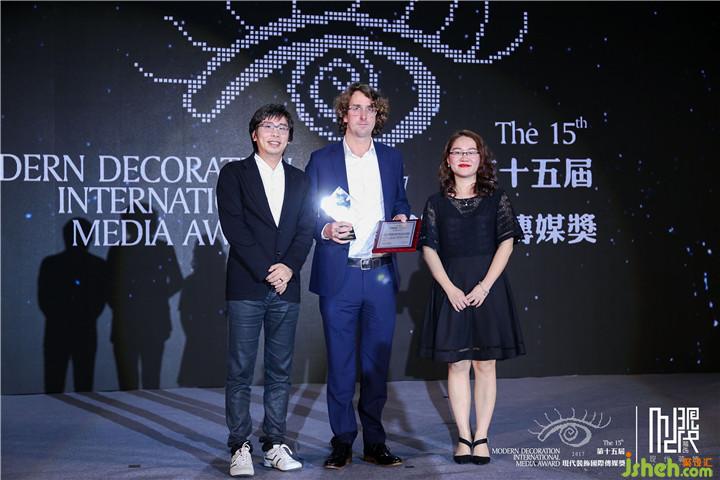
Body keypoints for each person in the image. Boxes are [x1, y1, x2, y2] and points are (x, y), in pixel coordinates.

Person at [305, 83, 410, 469]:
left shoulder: (392, 158)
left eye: (370, 109)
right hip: (341, 277)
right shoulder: (322, 159)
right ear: (344, 114)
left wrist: (401, 215)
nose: (363, 115)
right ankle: (342, 441)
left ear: (377, 116)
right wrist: (325, 229)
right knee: (341, 364)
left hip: (380, 274)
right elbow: (307, 212)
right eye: (356, 108)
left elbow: (399, 199)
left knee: (376, 365)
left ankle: (375, 442)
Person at [217, 104, 314, 477]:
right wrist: (267, 270)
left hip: (287, 287)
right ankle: (239, 446)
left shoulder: (300, 180)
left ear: (289, 137)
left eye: (283, 127)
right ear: (254, 134)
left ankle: (274, 443)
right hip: (246, 285)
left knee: (280, 371)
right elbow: (235, 227)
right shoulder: (234, 174)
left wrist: (288, 268)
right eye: (268, 126)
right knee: (240, 370)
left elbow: (306, 229)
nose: (275, 133)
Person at [418, 129, 525, 465]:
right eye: (457, 151)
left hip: (487, 290)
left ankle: (482, 436)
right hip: (451, 290)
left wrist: (484, 286)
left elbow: (506, 243)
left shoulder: (497, 199)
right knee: (457, 363)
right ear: (448, 160)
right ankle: (464, 436)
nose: (464, 157)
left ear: (481, 159)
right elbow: (429, 248)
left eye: (471, 151)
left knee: (485, 363)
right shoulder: (435, 203)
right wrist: (449, 288)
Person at [38, 218, 107, 393]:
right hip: (85, 331)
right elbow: (101, 299)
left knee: (54, 385)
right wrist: (86, 317)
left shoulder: (51, 264)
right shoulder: (98, 265)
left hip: (56, 331)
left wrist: (60, 318)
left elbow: (44, 299)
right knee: (84, 384)